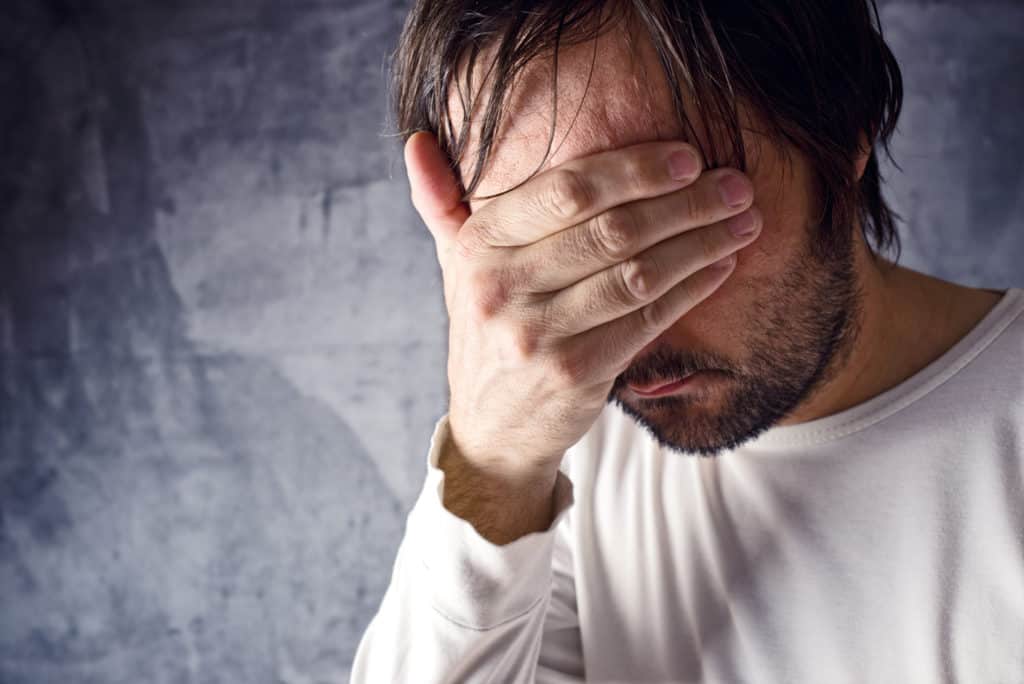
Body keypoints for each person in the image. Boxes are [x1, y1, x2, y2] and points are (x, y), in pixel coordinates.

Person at [351, 1, 1024, 681]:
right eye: (547, 252)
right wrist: (491, 465)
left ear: (846, 133)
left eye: (671, 226)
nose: (623, 321)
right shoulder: (561, 456)